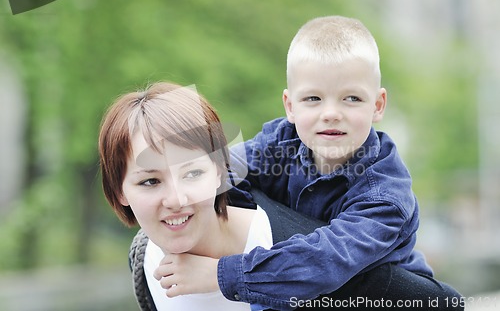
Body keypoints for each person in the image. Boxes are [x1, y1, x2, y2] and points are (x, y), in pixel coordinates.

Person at [155, 16, 464, 310]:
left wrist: (221, 274)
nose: (330, 113)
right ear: (290, 105)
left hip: (381, 299)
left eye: (351, 98)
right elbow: (219, 170)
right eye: (313, 99)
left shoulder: (385, 193)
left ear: (378, 105)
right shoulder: (281, 141)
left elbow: (326, 261)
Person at [98, 82, 325, 311]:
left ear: (219, 171)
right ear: (119, 191)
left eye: (192, 173)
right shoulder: (144, 259)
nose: (176, 200)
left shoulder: (303, 256)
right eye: (150, 181)